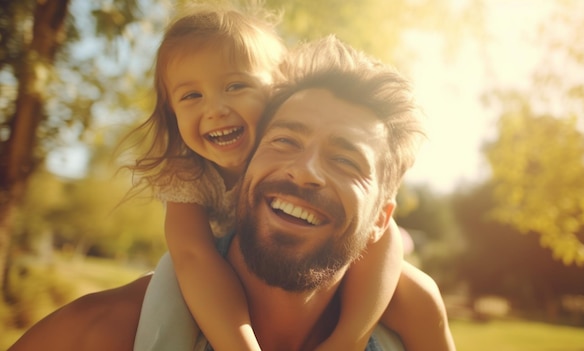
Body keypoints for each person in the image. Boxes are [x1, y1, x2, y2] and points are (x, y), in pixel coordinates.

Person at [9, 36, 456, 351]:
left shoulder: (415, 323)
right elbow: (191, 255)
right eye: (284, 140)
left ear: (382, 217)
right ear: (244, 164)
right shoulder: (95, 335)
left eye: (346, 161)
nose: (304, 171)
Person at [116, 2, 406, 351]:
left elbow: (384, 234)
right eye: (192, 95)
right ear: (171, 113)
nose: (215, 109)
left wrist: (348, 338)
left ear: (275, 97)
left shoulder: (286, 155)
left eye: (235, 87)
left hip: (328, 253)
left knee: (415, 292)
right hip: (233, 269)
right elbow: (193, 256)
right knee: (169, 299)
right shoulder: (187, 174)